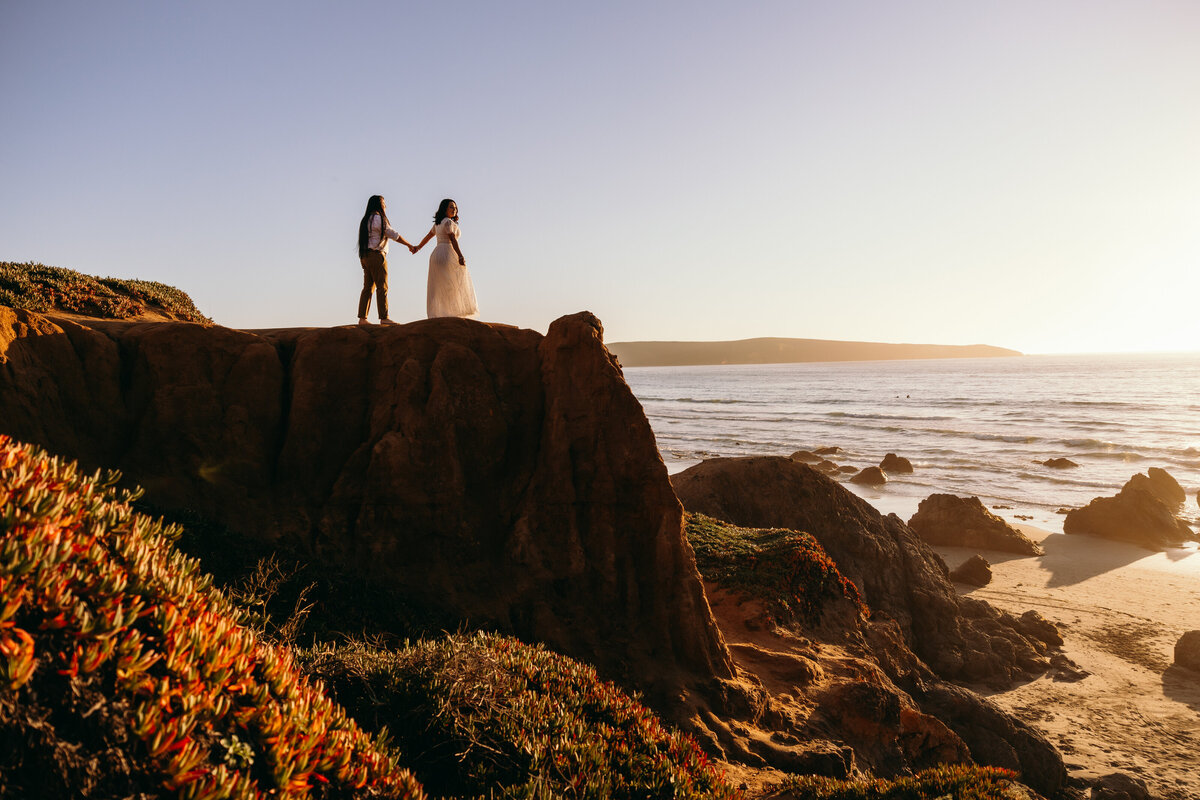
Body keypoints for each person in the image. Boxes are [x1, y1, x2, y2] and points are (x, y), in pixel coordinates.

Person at [411, 198, 478, 319]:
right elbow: (452, 239)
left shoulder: (438, 223)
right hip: (447, 252)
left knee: (439, 285)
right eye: (451, 207)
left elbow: (429, 236)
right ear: (444, 209)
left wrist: (418, 247)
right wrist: (460, 255)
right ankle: (452, 312)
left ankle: (440, 312)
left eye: (455, 207)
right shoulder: (448, 222)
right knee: (453, 282)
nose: (454, 209)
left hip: (436, 254)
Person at [356, 195, 415, 326]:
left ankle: (362, 318)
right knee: (382, 286)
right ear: (378, 204)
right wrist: (409, 245)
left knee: (367, 287)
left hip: (365, 256)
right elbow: (393, 234)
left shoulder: (365, 219)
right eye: (383, 203)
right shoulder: (379, 219)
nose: (385, 206)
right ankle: (384, 317)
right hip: (376, 255)